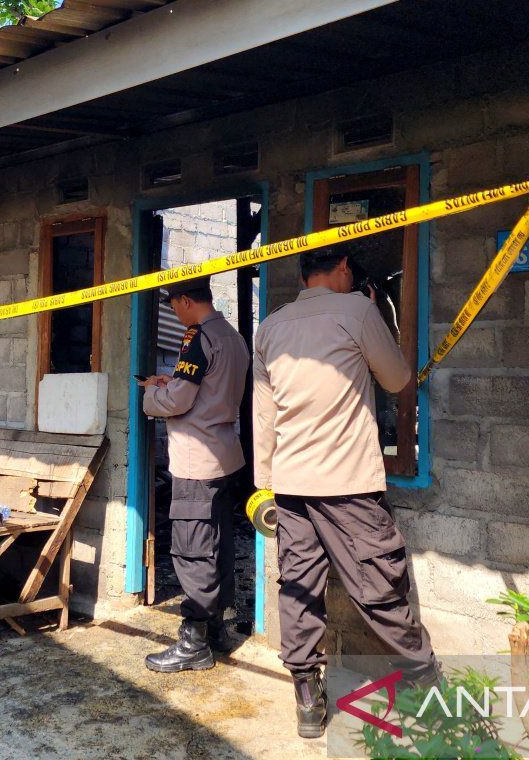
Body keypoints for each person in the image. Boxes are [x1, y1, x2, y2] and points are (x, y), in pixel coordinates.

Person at [252, 246, 438, 739]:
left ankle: (307, 697)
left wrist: (263, 486)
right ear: (341, 270)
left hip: (290, 486)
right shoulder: (358, 309)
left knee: (299, 587)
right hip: (347, 483)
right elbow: (398, 378)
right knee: (380, 588)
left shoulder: (270, 327)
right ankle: (427, 686)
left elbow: (264, 415)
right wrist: (378, 312)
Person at [139, 276, 250, 673]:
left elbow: (180, 399)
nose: (175, 313)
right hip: (225, 456)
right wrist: (175, 383)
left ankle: (193, 642)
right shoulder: (232, 337)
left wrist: (151, 393)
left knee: (192, 548)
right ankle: (216, 628)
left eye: (173, 306)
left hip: (196, 462)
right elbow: (205, 388)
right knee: (217, 544)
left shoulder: (197, 337)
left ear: (184, 300)